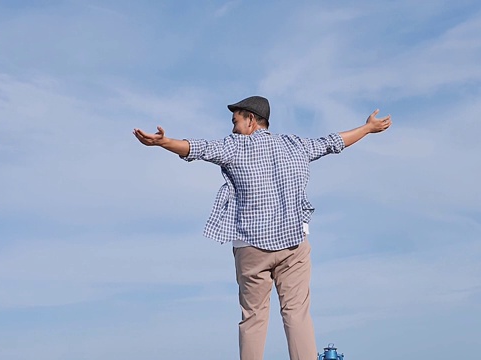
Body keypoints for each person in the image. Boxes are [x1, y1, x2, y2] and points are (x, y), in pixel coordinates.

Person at [133, 96, 391, 360]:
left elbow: (197, 148)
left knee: (253, 317)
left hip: (251, 246)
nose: (233, 128)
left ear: (251, 120)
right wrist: (367, 128)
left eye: (235, 121)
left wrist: (164, 142)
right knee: (296, 312)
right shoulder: (294, 144)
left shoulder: (236, 146)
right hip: (293, 245)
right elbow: (332, 143)